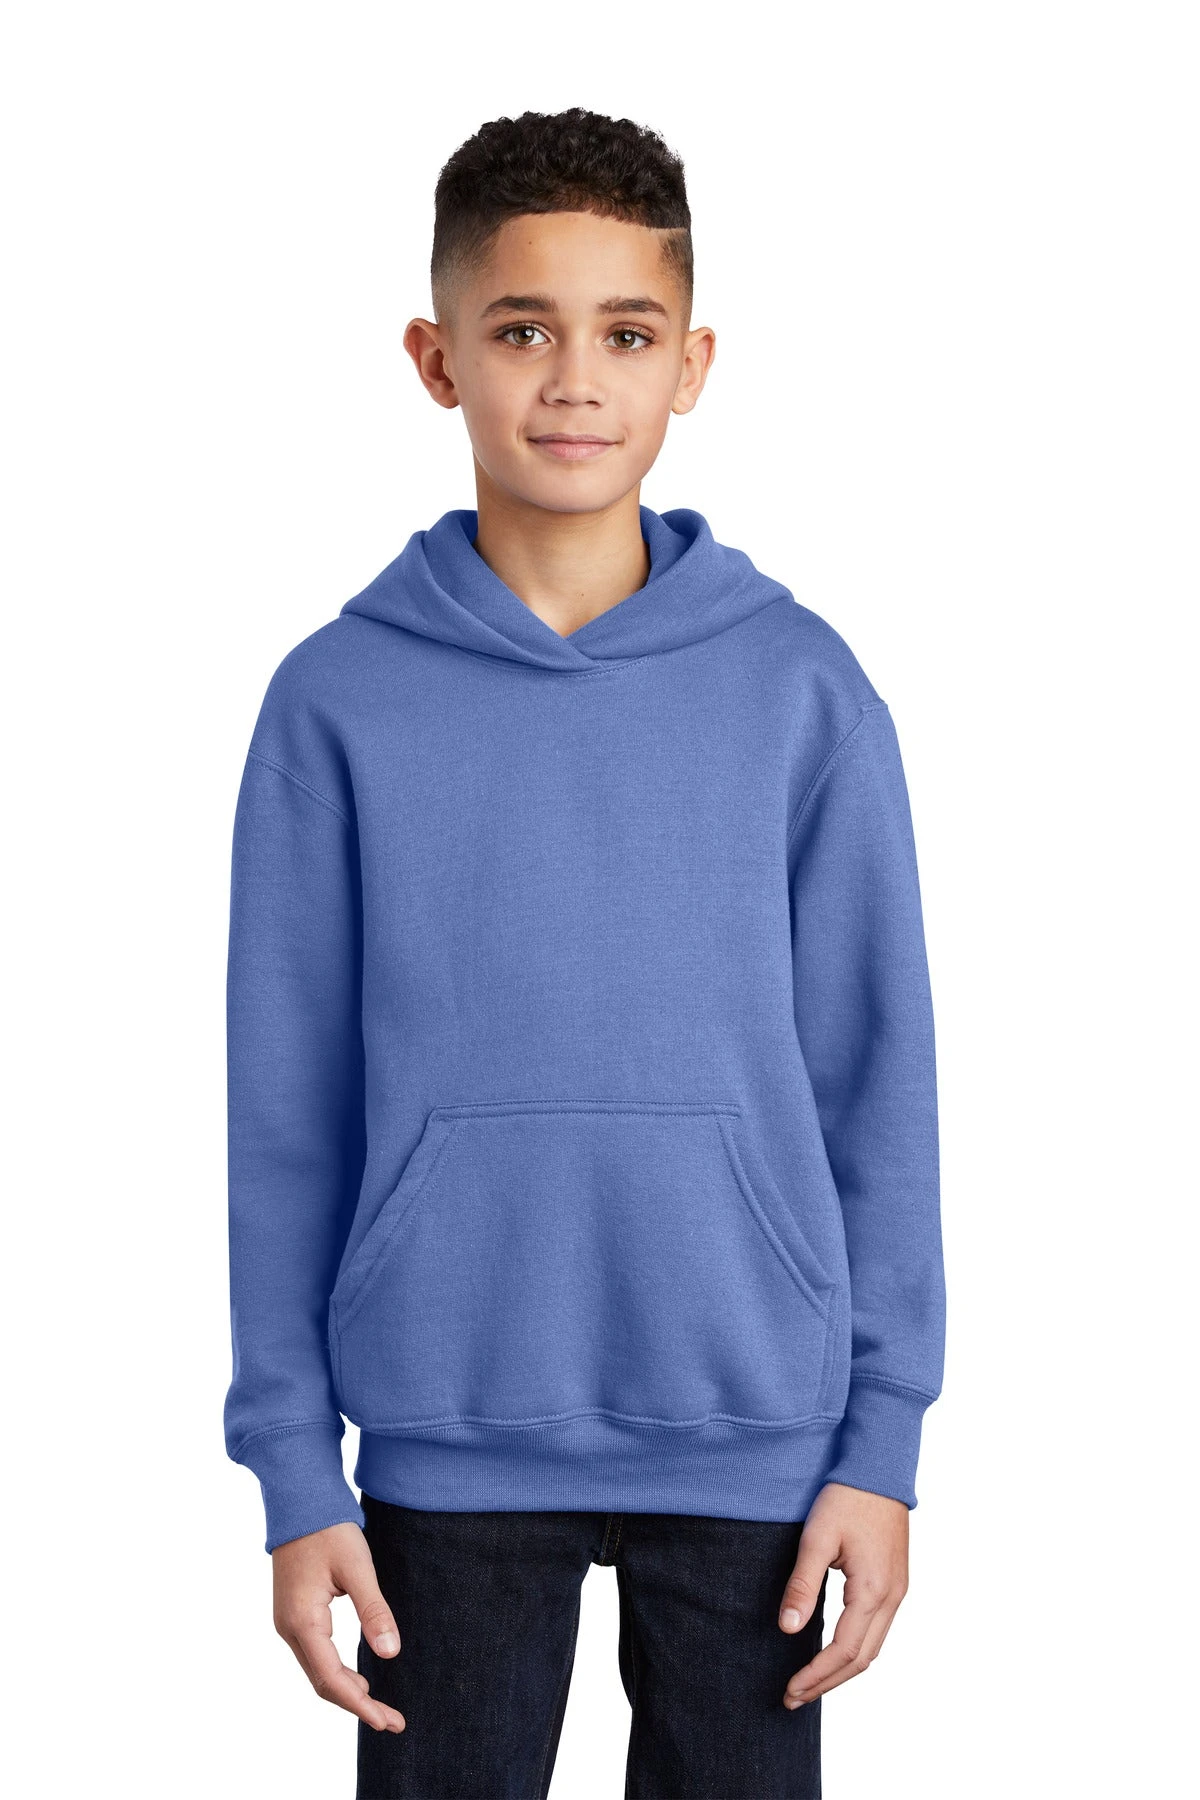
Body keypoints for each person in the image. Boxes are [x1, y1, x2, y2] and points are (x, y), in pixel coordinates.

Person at [222, 106, 945, 1800]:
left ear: (692, 364)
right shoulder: (337, 701)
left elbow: (878, 1087)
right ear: (437, 358)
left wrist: (884, 1442)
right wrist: (293, 1468)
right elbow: (284, 1114)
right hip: (444, 1428)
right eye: (521, 330)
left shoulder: (801, 691)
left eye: (624, 335)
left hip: (757, 1433)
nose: (573, 382)